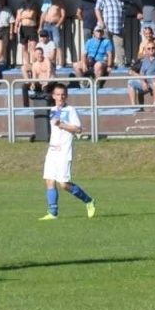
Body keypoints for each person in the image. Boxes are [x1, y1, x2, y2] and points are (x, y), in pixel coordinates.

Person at [39, 83, 96, 222]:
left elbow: (78, 129)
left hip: (64, 152)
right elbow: (55, 127)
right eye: (58, 95)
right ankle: (53, 212)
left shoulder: (71, 110)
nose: (61, 97)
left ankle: (89, 201)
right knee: (49, 180)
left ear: (67, 96)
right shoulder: (53, 110)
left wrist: (62, 125)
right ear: (53, 96)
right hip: (52, 151)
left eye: (63, 95)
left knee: (64, 184)